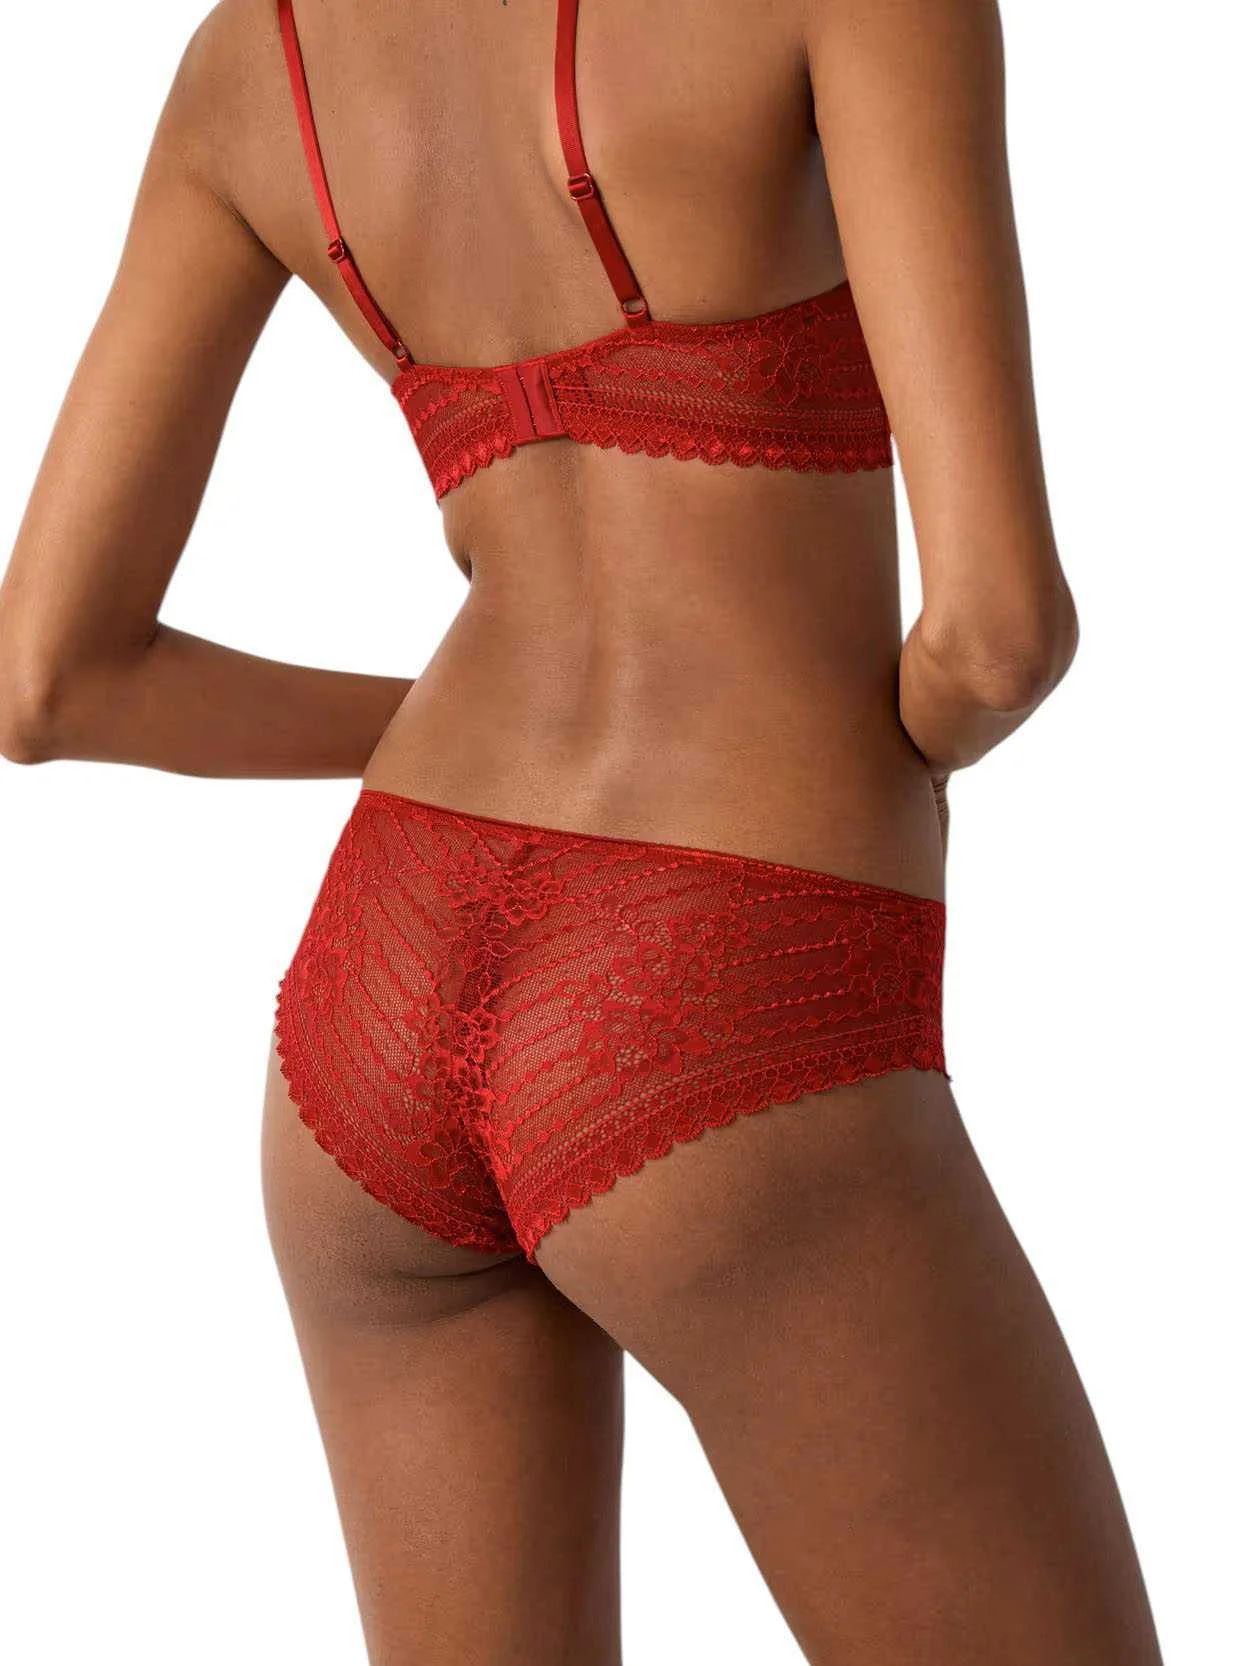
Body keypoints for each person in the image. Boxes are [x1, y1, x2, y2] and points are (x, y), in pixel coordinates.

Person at [0, 1, 1164, 1662]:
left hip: (376, 1003)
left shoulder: (249, 64)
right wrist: (882, 755)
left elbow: (50, 679)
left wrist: (450, 748)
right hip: (723, 972)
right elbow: (994, 633)